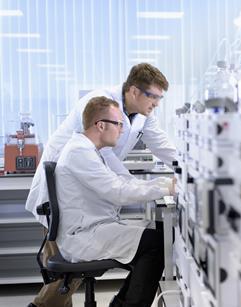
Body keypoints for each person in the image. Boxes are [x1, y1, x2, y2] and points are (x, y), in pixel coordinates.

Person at [26, 63, 176, 307]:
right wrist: (161, 186)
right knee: (61, 282)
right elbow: (111, 176)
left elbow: (162, 148)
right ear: (135, 91)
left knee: (66, 280)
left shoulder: (140, 116)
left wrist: (187, 167)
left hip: (87, 209)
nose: (157, 103)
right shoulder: (101, 107)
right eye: (154, 96)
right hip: (63, 201)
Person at [55, 96, 173, 307]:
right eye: (118, 124)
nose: (121, 130)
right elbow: (117, 192)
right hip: (84, 235)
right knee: (154, 244)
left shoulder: (89, 149)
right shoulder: (79, 152)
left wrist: (163, 184)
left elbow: (120, 182)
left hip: (93, 227)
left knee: (156, 236)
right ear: (100, 125)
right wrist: (166, 187)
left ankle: (122, 303)